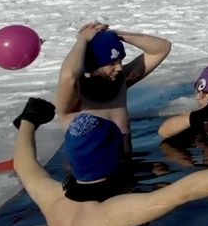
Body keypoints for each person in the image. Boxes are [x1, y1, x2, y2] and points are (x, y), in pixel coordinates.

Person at [12, 97, 208, 226]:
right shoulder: (110, 212)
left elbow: (25, 165)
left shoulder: (53, 199)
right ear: (113, 156)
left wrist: (29, 120)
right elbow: (184, 191)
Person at [54, 22, 172, 150]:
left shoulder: (120, 82)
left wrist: (114, 35)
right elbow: (69, 77)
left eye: (120, 61)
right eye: (112, 64)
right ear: (93, 66)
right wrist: (82, 39)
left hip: (126, 166)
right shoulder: (74, 97)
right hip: (88, 169)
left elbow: (162, 48)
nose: (120, 67)